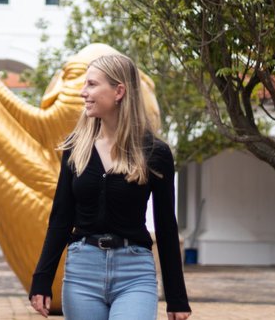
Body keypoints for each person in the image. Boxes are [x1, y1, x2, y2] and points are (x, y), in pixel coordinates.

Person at [29, 53, 191, 320]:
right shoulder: (75, 147)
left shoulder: (155, 153)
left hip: (134, 274)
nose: (83, 93)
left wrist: (177, 297)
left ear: (119, 91)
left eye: (92, 84)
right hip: (82, 273)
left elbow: (166, 226)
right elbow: (60, 217)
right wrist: (42, 279)